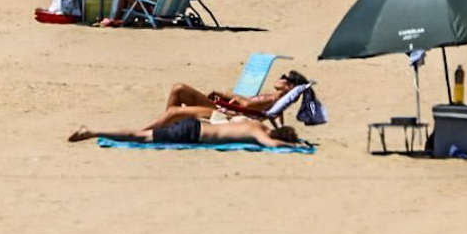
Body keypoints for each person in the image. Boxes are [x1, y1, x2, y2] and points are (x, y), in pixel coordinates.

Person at [145, 69, 309, 130]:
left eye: (284, 78)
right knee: (179, 89)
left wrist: (227, 95)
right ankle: (167, 128)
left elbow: (245, 104)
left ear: (289, 87)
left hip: (223, 115)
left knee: (178, 98)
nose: (280, 78)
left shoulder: (272, 99)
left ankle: (152, 131)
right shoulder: (275, 100)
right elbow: (275, 116)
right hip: (225, 111)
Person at [67, 117, 302, 149]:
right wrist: (294, 146)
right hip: (192, 134)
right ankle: (93, 131)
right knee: (139, 137)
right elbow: (271, 145)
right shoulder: (259, 135)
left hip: (196, 124)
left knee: (140, 133)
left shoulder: (256, 123)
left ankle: (95, 130)